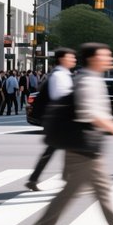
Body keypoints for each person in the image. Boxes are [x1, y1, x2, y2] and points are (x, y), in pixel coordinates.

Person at [29, 43, 113, 225]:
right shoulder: (87, 80)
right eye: (105, 55)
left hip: (82, 144)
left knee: (79, 190)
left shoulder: (89, 78)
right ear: (92, 59)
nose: (110, 58)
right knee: (97, 189)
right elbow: (88, 112)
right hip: (83, 145)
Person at [25, 48, 77, 191]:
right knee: (66, 149)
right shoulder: (59, 76)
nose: (74, 59)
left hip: (59, 120)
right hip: (59, 120)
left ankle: (35, 179)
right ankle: (66, 179)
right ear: (61, 59)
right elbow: (59, 98)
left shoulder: (63, 75)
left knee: (55, 149)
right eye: (71, 57)